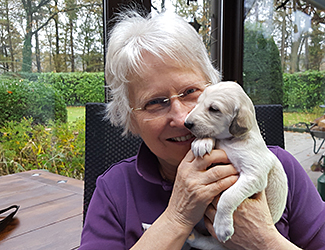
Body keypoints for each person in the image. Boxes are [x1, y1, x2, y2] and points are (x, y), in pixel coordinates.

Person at [79, 9, 325, 250]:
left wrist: (265, 240)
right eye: (155, 102)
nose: (183, 117)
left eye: (190, 92)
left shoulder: (281, 168)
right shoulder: (115, 191)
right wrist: (177, 217)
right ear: (129, 119)